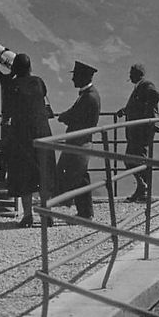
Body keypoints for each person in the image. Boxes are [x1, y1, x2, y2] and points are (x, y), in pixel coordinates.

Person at [6, 53, 56, 228]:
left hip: (22, 135)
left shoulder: (12, 85)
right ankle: (47, 212)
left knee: (24, 174)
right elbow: (43, 94)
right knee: (44, 173)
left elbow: (8, 109)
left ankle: (28, 215)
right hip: (42, 132)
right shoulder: (38, 82)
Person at [56, 61, 101, 219]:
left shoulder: (88, 97)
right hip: (81, 142)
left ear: (82, 77)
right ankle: (84, 211)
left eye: (75, 75)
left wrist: (63, 117)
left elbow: (75, 116)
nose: (73, 79)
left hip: (79, 143)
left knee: (77, 176)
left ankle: (84, 212)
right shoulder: (89, 95)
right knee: (81, 176)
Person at [115, 63, 159, 202]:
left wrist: (145, 117)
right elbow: (138, 103)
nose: (129, 77)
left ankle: (144, 189)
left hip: (142, 130)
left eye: (131, 74)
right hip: (138, 130)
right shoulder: (140, 87)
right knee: (135, 158)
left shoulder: (146, 85)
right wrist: (125, 110)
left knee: (135, 158)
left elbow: (155, 96)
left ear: (138, 74)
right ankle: (142, 188)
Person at [0, 56, 17, 186]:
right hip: (14, 120)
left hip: (5, 119)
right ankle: (11, 179)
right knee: (12, 151)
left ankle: (1, 179)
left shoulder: (4, 81)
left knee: (4, 150)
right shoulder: (15, 82)